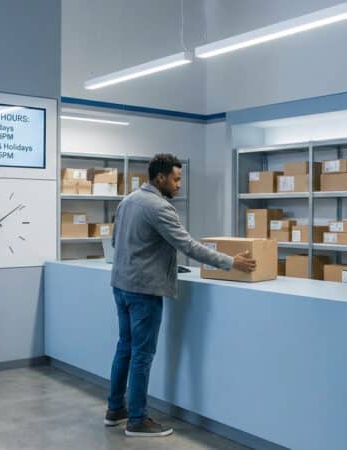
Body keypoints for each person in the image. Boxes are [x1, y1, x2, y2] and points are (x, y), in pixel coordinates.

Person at [104, 153, 257, 437]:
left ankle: (115, 410)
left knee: (125, 346)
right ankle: (137, 419)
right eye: (175, 179)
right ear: (160, 178)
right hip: (144, 290)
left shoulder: (128, 201)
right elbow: (188, 246)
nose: (179, 186)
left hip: (121, 285)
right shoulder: (159, 207)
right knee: (142, 354)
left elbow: (114, 242)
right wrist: (231, 262)